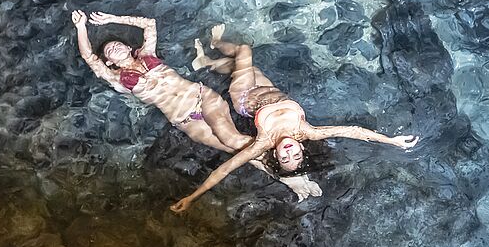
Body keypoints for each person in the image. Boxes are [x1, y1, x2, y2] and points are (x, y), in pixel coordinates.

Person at [71, 10, 322, 202]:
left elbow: (149, 24)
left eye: (117, 44)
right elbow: (89, 58)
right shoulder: (117, 79)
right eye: (109, 50)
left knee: (236, 140)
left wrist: (112, 19)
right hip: (184, 118)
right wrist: (81, 27)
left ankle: (290, 176)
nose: (114, 47)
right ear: (110, 62)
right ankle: (286, 172)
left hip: (203, 97)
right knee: (233, 148)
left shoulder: (148, 53)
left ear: (129, 47)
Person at [171, 24, 419, 213]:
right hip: (271, 90)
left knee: (244, 52)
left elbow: (225, 169)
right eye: (296, 155)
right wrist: (392, 141)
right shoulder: (307, 131)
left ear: (277, 156)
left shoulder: (264, 142)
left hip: (246, 97)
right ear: (301, 147)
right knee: (250, 69)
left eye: (285, 157)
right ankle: (205, 62)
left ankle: (215, 41)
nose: (289, 152)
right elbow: (353, 130)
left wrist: (192, 197)